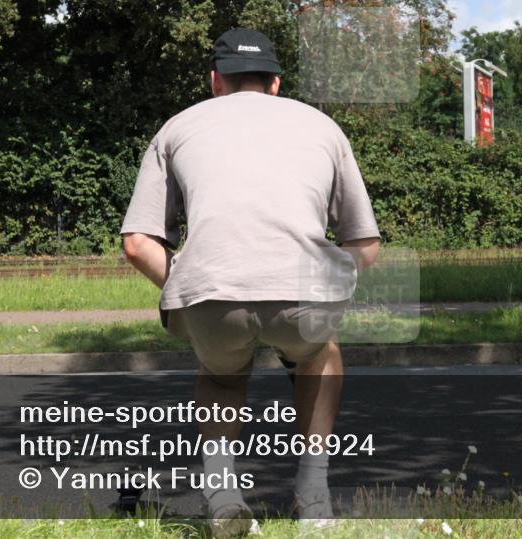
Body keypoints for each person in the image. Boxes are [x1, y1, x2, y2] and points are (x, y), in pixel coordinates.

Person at [120, 28, 380, 536]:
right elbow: (364, 245)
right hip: (301, 296)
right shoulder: (322, 127)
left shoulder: (177, 128)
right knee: (320, 354)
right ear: (275, 83)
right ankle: (314, 499)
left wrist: (186, 285)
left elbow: (136, 243)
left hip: (212, 295)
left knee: (221, 376)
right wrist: (328, 283)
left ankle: (222, 498)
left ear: (215, 81)